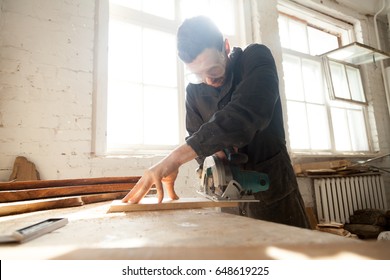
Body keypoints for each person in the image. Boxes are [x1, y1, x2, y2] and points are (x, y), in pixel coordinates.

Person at [122, 16, 310, 229]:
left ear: (226, 47)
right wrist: (212, 159)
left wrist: (174, 159)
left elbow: (246, 111)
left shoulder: (255, 58)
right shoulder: (194, 92)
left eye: (212, 70)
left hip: (274, 194)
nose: (207, 80)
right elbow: (196, 137)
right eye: (198, 74)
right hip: (226, 200)